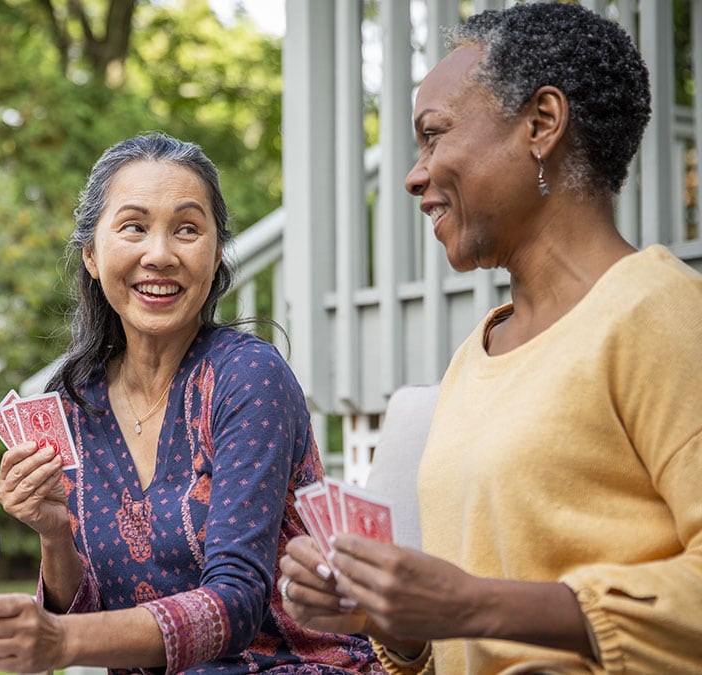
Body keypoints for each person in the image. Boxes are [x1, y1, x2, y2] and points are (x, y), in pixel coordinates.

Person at [278, 3, 702, 673]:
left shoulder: (659, 312)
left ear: (541, 124)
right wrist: (390, 618)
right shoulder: (476, 355)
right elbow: (461, 632)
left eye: (434, 134)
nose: (416, 175)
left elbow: (479, 605)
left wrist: (471, 604)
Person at [0, 133, 382, 673]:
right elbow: (89, 610)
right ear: (91, 253)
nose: (159, 255)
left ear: (215, 252)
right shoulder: (76, 403)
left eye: (187, 229)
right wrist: (53, 531)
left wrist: (63, 640)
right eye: (133, 227)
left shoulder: (248, 378)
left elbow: (237, 604)